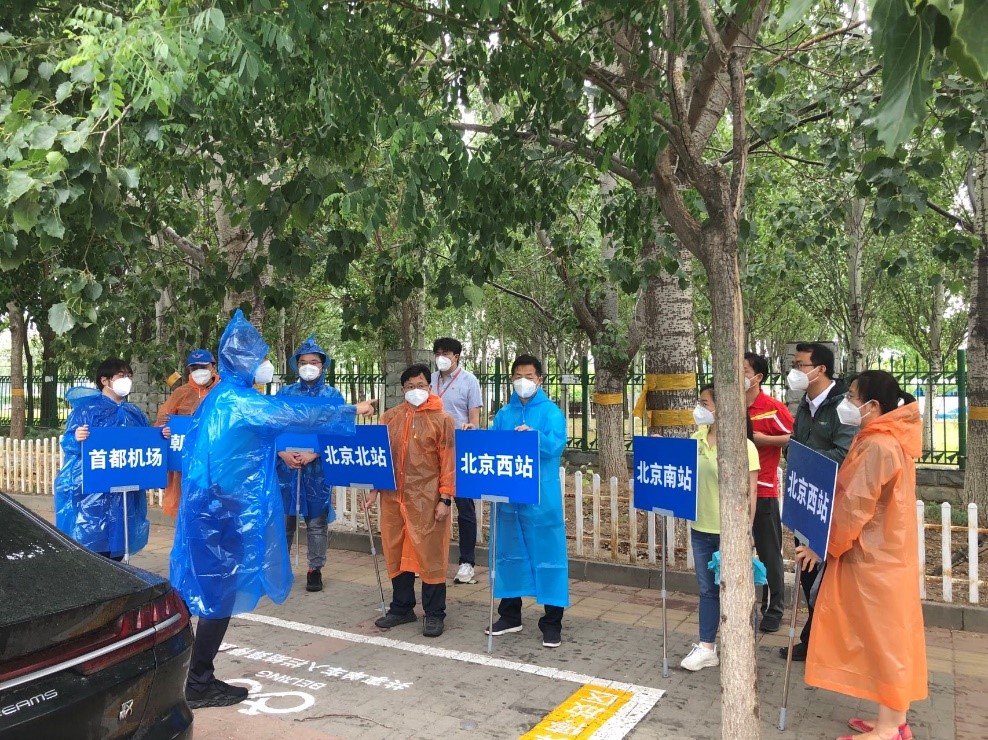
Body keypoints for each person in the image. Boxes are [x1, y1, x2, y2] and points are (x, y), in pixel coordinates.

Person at [170, 310, 376, 709]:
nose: (266, 365)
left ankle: (192, 675)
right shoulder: (241, 401)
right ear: (245, 363)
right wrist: (351, 410)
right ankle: (198, 683)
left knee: (206, 592)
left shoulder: (218, 397)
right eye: (260, 358)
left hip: (206, 505)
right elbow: (296, 415)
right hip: (220, 510)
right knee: (217, 596)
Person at [795, 371, 924, 740]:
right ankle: (894, 719)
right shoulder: (888, 439)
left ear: (873, 405)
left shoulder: (878, 445)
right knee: (890, 640)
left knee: (885, 644)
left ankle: (888, 729)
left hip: (875, 561)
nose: (846, 403)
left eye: (852, 396)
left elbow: (855, 505)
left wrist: (822, 545)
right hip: (886, 558)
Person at [362, 364, 455, 637]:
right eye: (410, 386)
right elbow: (380, 458)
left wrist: (445, 498)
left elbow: (448, 462)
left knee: (430, 553)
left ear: (430, 387)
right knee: (395, 549)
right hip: (394, 498)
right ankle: (402, 607)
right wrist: (374, 489)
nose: (416, 390)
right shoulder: (390, 418)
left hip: (428, 499)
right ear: (402, 389)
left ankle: (434, 613)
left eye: (421, 385)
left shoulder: (442, 420)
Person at [485, 354, 568, 648]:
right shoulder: (503, 414)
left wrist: (535, 437)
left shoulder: (551, 412)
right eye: (518, 376)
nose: (523, 382)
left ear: (540, 379)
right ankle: (510, 615)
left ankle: (552, 621)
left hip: (541, 499)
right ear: (511, 379)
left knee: (549, 555)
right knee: (508, 552)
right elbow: (491, 447)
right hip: (509, 498)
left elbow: (556, 446)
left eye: (529, 376)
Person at [781, 342, 858, 661]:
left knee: (827, 576)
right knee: (808, 572)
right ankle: (814, 637)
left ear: (820, 369)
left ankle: (824, 641)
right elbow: (793, 444)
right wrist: (796, 454)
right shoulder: (805, 403)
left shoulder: (842, 406)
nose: (794, 371)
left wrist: (803, 457)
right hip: (805, 499)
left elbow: (843, 454)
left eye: (800, 365)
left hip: (834, 502)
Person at [680, 384, 760, 671]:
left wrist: (745, 532)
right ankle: (707, 647)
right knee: (707, 590)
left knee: (737, 590)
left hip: (730, 532)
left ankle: (744, 649)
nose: (699, 408)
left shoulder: (743, 446)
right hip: (701, 527)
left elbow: (751, 492)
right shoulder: (696, 440)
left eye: (704, 403)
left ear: (722, 407)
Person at [54, 358, 159, 561]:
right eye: (121, 376)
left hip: (125, 490)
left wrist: (160, 437)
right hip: (93, 492)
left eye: (129, 376)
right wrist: (76, 438)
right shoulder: (86, 410)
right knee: (93, 543)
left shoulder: (134, 413)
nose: (127, 380)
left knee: (120, 542)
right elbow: (68, 442)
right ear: (105, 380)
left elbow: (146, 443)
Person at [276, 336, 345, 593]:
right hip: (287, 467)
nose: (308, 366)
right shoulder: (285, 394)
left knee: (316, 521)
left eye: (314, 362)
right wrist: (282, 453)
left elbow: (338, 429)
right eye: (303, 362)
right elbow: (273, 426)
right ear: (297, 365)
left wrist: (315, 453)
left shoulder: (332, 396)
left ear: (323, 365)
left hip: (317, 469)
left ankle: (315, 569)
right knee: (285, 520)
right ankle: (281, 568)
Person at [743, 351, 793, 634]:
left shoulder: (772, 408)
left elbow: (794, 437)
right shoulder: (729, 405)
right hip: (731, 491)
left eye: (745, 371)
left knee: (769, 553)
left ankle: (773, 609)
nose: (739, 376)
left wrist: (766, 440)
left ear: (758, 377)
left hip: (762, 491)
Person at [431, 337, 483, 584]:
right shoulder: (429, 380)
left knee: (464, 507)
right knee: (432, 504)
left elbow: (475, 419)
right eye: (438, 353)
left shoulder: (469, 381)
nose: (441, 358)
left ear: (457, 356)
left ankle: (466, 563)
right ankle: (428, 558)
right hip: (432, 449)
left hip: (459, 449)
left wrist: (471, 427)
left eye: (446, 354)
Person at [155, 349, 220, 518]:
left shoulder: (223, 392)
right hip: (185, 467)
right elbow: (161, 425)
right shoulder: (181, 393)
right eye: (194, 368)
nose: (199, 371)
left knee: (216, 512)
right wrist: (162, 425)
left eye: (203, 367)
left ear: (213, 367)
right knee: (186, 513)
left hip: (216, 464)